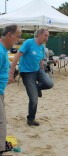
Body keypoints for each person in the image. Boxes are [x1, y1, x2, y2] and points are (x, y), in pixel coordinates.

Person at [9, 28, 54, 126]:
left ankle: (37, 88)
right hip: (26, 73)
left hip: (37, 70)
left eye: (48, 36)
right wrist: (11, 73)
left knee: (49, 83)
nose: (47, 38)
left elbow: (41, 61)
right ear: (39, 35)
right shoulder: (29, 43)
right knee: (34, 98)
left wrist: (42, 73)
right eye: (46, 35)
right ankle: (31, 119)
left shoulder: (42, 47)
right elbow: (17, 56)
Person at [0, 24, 21, 154]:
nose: (18, 40)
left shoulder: (3, 50)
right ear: (9, 35)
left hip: (1, 91)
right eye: (18, 36)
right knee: (1, 123)